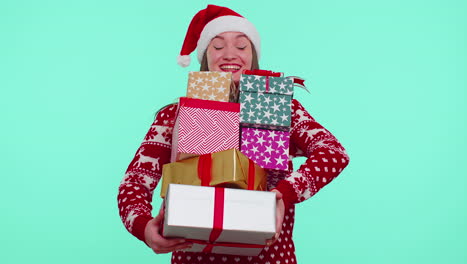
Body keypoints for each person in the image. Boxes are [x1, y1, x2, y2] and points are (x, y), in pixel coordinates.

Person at [117, 5, 349, 264]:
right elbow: (134, 182)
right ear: (205, 56)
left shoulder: (278, 106)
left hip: (270, 258)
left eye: (241, 46)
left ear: (253, 56)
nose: (229, 55)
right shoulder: (175, 115)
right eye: (217, 46)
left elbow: (333, 152)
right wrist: (144, 227)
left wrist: (284, 193)